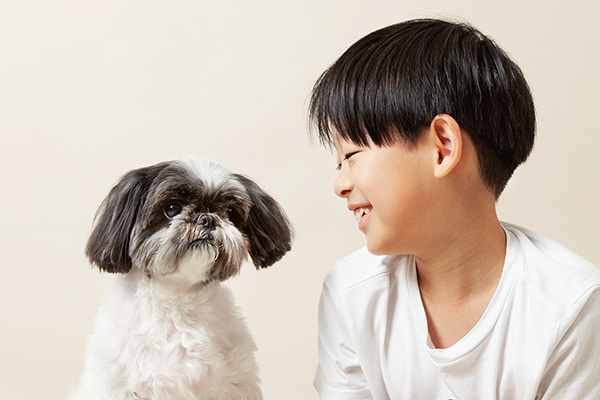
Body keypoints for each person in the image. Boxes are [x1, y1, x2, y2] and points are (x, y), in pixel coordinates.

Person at [308, 18, 600, 399]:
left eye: (351, 156)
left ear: (443, 147)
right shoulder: (351, 293)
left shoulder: (569, 305)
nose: (340, 185)